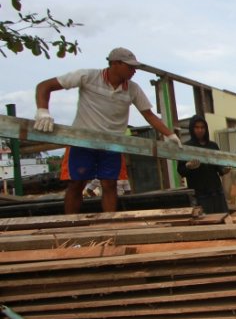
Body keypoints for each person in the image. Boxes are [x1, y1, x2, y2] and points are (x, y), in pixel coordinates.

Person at [34, 47, 182, 214]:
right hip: (83, 141)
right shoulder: (87, 77)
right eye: (130, 67)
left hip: (112, 144)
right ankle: (71, 223)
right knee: (77, 183)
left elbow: (148, 114)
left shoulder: (132, 89)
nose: (134, 71)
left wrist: (169, 134)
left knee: (110, 184)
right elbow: (44, 86)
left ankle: (110, 223)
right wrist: (42, 111)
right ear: (115, 64)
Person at [177, 115, 231, 214]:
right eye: (197, 127)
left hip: (216, 192)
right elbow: (181, 171)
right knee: (205, 222)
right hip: (199, 194)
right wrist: (188, 166)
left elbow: (219, 166)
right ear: (192, 129)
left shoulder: (213, 146)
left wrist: (224, 170)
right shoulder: (186, 147)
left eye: (202, 127)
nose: (200, 130)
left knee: (222, 218)